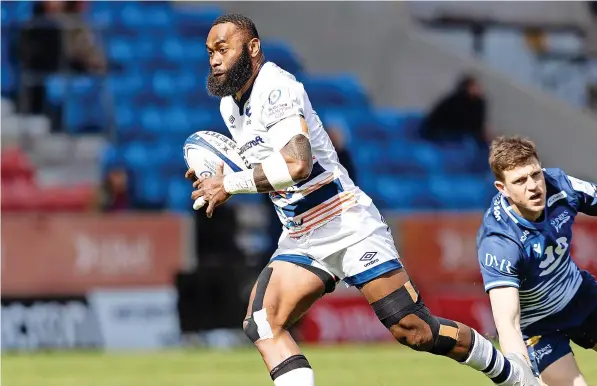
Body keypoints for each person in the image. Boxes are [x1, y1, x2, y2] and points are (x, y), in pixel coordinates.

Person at [186, 14, 539, 386]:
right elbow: (262, 160)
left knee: (414, 329)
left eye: (223, 49)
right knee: (261, 323)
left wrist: (231, 184)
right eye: (210, 51)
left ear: (253, 48)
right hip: (301, 236)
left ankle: (511, 372)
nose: (214, 59)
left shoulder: (276, 87)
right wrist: (218, 175)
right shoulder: (230, 107)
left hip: (346, 222)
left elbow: (297, 164)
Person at [476, 136, 597, 386]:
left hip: (580, 296)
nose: (533, 186)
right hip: (539, 328)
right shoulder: (499, 241)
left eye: (535, 174)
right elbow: (507, 322)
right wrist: (521, 373)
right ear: (502, 188)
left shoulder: (560, 185)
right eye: (519, 181)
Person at [421, 73, 489, 148]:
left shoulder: (478, 103)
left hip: (456, 132)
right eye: (473, 86)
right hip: (441, 132)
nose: (477, 89)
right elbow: (436, 119)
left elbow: (477, 125)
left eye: (477, 86)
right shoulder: (455, 101)